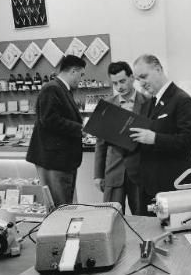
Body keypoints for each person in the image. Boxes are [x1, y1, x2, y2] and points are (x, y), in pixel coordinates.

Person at [130, 54, 191, 212]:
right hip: (149, 187)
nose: (141, 84)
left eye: (143, 77)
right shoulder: (148, 103)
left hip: (173, 186)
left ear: (158, 69)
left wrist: (155, 139)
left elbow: (188, 140)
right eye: (137, 79)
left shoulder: (182, 100)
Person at [26, 55, 86, 206]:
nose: (81, 79)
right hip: (54, 161)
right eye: (81, 74)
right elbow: (49, 120)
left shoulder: (62, 89)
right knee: (59, 207)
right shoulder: (52, 88)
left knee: (64, 204)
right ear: (73, 71)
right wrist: (81, 128)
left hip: (62, 160)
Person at [93, 61, 150, 214]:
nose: (119, 87)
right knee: (111, 217)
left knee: (142, 217)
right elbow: (100, 143)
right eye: (115, 83)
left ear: (132, 78)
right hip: (113, 171)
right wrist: (98, 175)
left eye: (123, 81)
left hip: (139, 172)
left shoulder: (148, 102)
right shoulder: (107, 105)